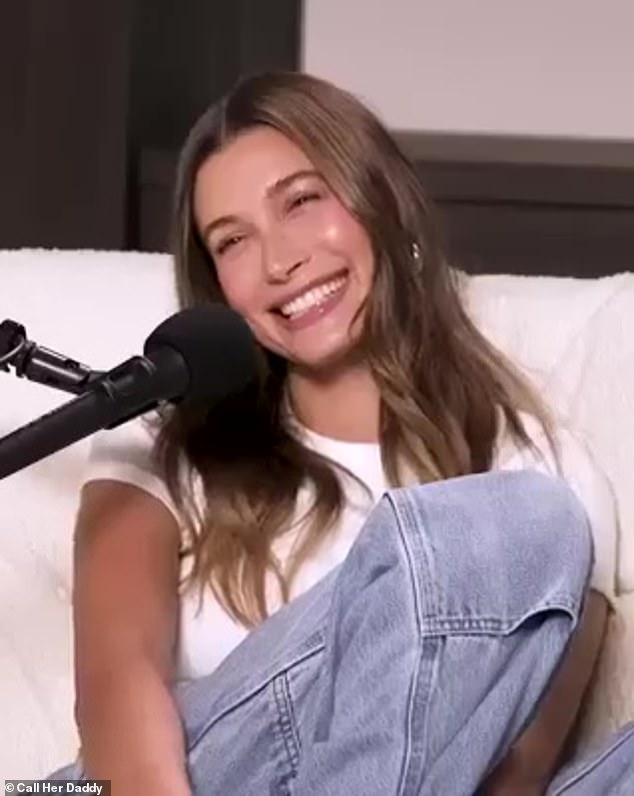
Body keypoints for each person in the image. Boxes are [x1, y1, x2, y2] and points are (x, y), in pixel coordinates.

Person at [49, 71, 632, 794]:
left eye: (301, 201)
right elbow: (114, 689)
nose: (279, 261)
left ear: (381, 202)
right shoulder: (159, 440)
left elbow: (513, 773)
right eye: (232, 242)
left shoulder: (546, 470)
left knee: (525, 522)